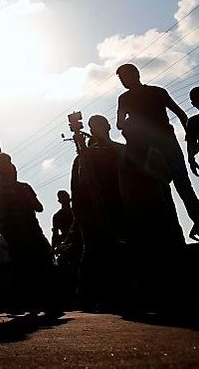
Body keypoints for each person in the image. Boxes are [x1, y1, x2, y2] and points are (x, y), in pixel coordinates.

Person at [115, 64, 199, 225]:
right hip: (152, 148)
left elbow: (181, 114)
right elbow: (120, 124)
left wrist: (191, 142)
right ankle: (178, 233)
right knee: (165, 190)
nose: (123, 81)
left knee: (179, 187)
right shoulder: (127, 98)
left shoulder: (155, 92)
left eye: (124, 77)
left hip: (163, 145)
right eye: (121, 79)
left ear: (136, 74)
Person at [0, 154, 57, 316]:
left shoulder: (23, 187)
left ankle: (44, 299)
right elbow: (3, 204)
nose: (11, 168)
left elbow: (38, 207)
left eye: (10, 164)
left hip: (32, 229)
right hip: (14, 230)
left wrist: (24, 194)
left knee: (42, 260)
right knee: (23, 264)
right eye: (5, 164)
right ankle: (20, 301)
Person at [71, 115, 126, 311]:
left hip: (119, 205)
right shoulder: (85, 156)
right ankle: (87, 296)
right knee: (94, 250)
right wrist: (80, 212)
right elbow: (78, 186)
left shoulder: (120, 150)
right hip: (93, 210)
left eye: (101, 125)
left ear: (109, 126)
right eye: (94, 127)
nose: (98, 130)